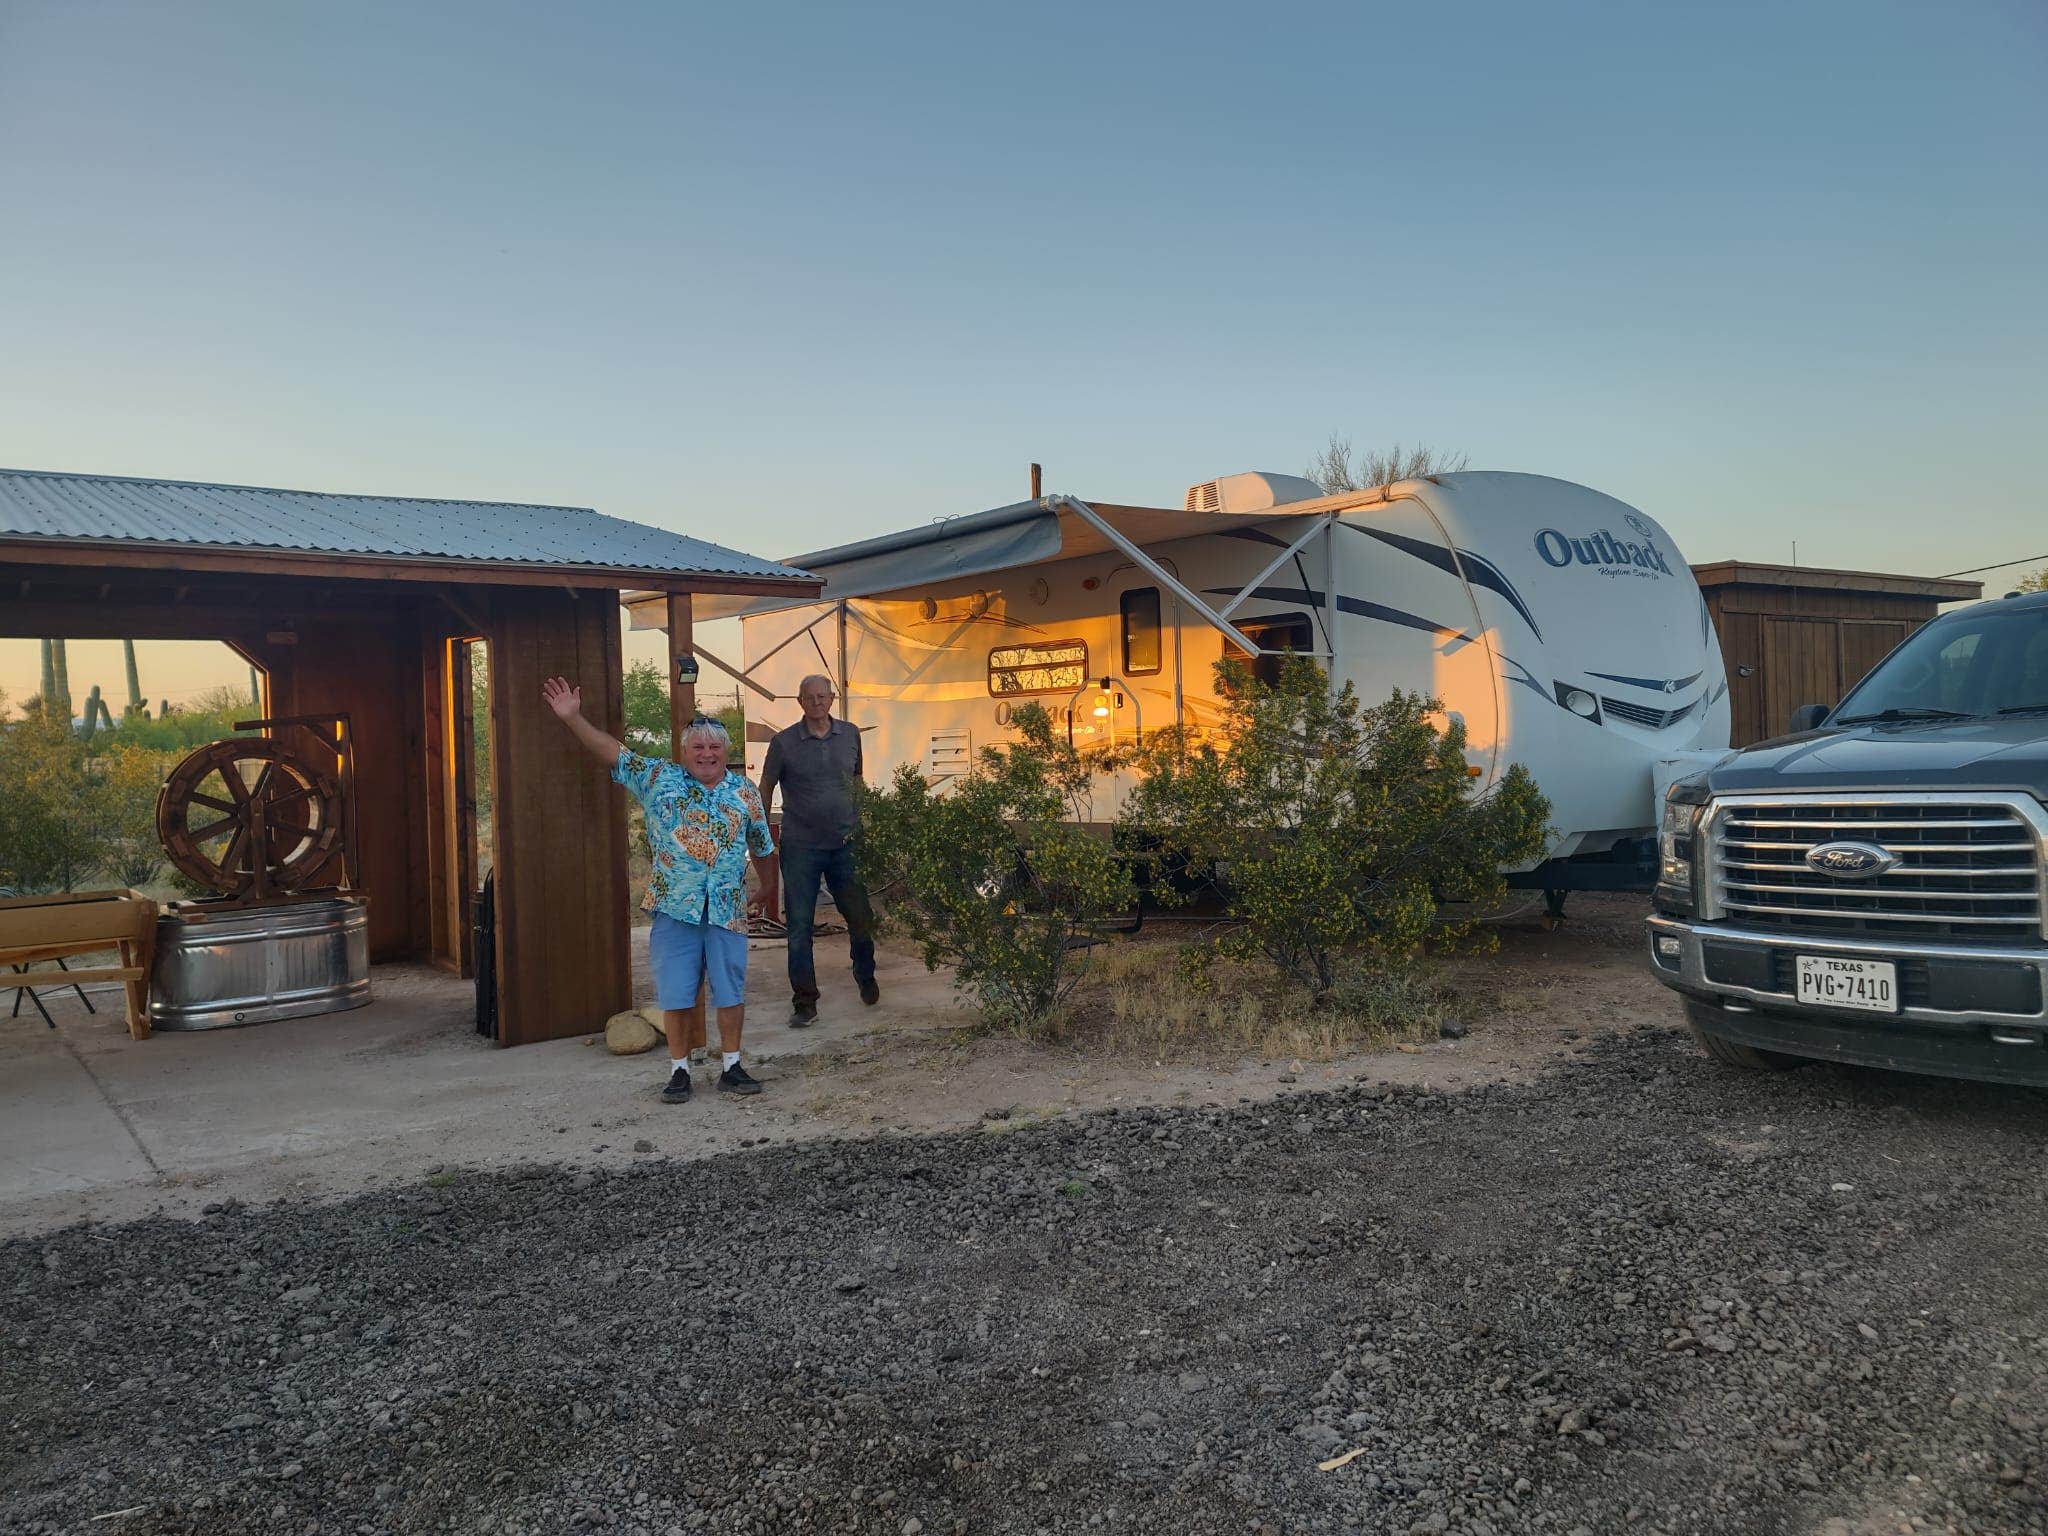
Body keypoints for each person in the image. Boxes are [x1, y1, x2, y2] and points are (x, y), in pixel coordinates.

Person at [542, 676, 774, 1102]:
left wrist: (768, 888)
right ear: (684, 753)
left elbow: (761, 844)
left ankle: (732, 1066)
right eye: (698, 747)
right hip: (674, 908)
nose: (707, 753)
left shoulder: (744, 792)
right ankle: (679, 1070)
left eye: (715, 747)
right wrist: (573, 718)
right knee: (677, 993)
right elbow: (612, 751)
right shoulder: (658, 778)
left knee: (731, 990)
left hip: (727, 909)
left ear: (726, 752)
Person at [757, 674, 877, 1027]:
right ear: (799, 701)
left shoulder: (850, 734)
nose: (816, 703)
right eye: (809, 698)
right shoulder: (783, 742)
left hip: (846, 844)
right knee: (798, 927)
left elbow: (857, 779)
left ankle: (866, 975)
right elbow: (766, 785)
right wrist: (761, 831)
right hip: (801, 847)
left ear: (832, 698)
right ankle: (805, 1002)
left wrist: (866, 819)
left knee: (860, 917)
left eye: (822, 696)